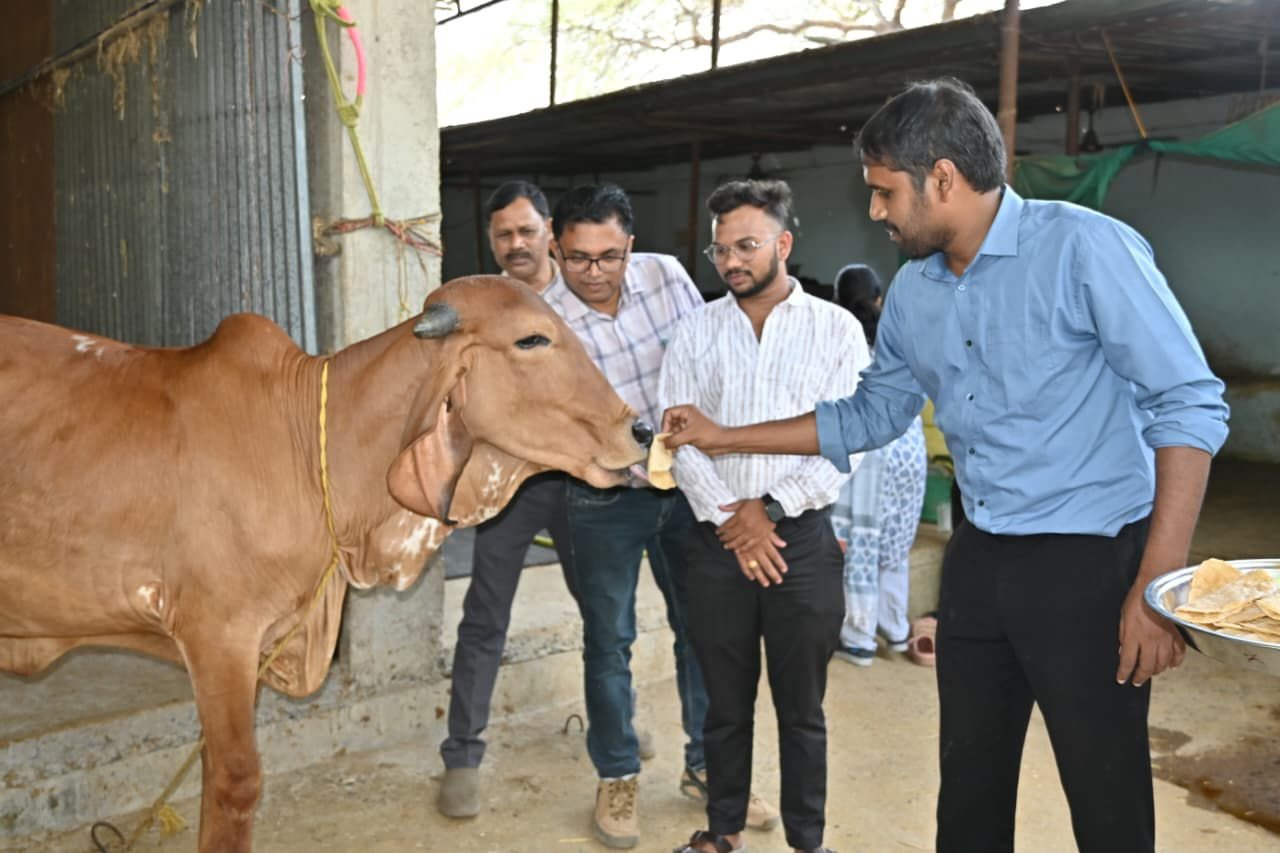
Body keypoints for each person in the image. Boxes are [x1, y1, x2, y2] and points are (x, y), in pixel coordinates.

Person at [663, 78, 1229, 853]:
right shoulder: (916, 293)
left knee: (1105, 793)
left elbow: (1189, 402)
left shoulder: (1083, 249)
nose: (875, 212)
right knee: (968, 788)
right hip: (981, 557)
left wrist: (1157, 587)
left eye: (883, 192)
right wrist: (725, 437)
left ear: (942, 180)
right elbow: (868, 414)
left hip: (1092, 561)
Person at [542, 183, 779, 849]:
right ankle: (617, 772)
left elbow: (714, 352)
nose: (594, 273)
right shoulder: (541, 318)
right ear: (556, 249)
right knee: (608, 639)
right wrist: (587, 463)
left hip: (687, 490)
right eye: (578, 258)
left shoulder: (666, 277)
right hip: (604, 499)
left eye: (609, 256)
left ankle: (708, 766)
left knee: (703, 628)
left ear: (631, 247)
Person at [660, 179, 868, 853]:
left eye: (746, 245)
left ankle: (808, 840)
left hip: (799, 542)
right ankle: (722, 831)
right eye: (720, 250)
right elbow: (679, 439)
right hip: (717, 542)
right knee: (724, 703)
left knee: (802, 709)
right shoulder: (695, 329)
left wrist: (769, 510)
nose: (731, 262)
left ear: (783, 243)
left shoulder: (835, 329)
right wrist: (733, 517)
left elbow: (847, 440)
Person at [437, 180, 589, 818]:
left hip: (584, 485)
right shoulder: (483, 307)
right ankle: (463, 758)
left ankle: (618, 731)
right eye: (504, 234)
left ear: (550, 232)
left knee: (607, 618)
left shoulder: (587, 298)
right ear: (492, 242)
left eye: (527, 231)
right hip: (508, 484)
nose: (517, 244)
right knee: (483, 618)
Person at [827, 263, 927, 666]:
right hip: (909, 449)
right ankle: (897, 630)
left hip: (870, 452)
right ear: (880, 297)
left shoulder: (837, 336)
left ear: (837, 301)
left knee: (860, 541)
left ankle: (860, 637)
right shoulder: (901, 334)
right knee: (893, 543)